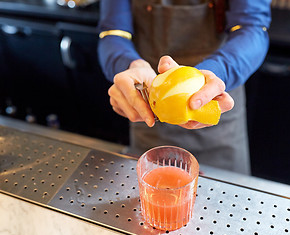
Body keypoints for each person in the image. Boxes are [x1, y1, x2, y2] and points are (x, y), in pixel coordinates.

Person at [98, 0, 271, 175]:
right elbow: (113, 33)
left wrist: (212, 74)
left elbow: (252, 29)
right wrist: (129, 66)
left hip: (217, 115)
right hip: (149, 109)